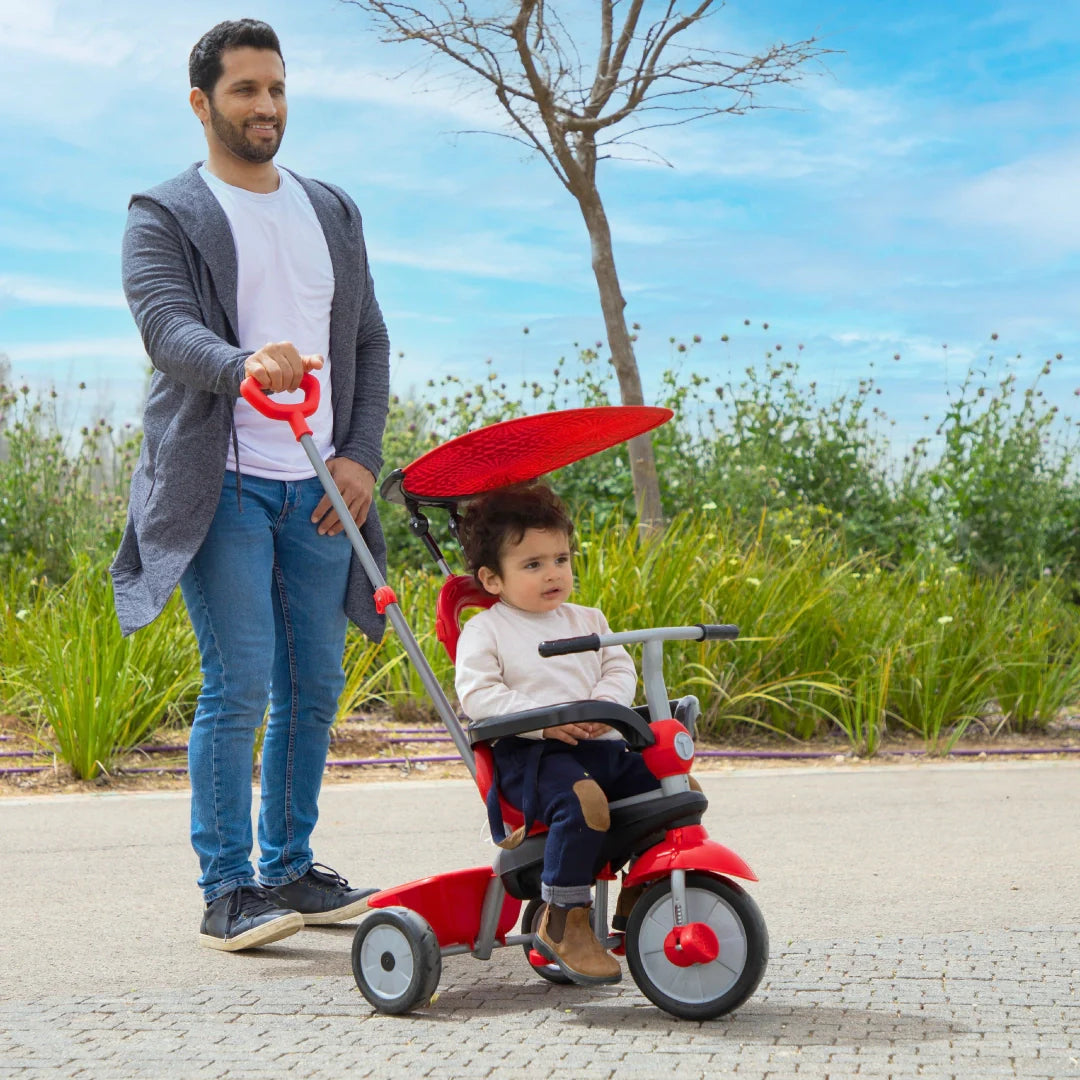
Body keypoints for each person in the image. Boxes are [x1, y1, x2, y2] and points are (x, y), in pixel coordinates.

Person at [112, 19, 390, 952]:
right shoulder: (165, 211)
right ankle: (228, 889)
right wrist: (242, 366)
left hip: (317, 483)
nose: (266, 107)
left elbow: (367, 342)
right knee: (241, 685)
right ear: (202, 103)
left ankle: (291, 866)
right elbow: (163, 327)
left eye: (275, 88)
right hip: (220, 480)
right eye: (244, 91)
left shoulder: (330, 209)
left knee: (314, 683)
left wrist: (360, 455)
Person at [454, 483, 662, 986]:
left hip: (599, 743)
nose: (553, 573)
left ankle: (646, 893)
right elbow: (478, 696)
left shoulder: (589, 620)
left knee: (671, 790)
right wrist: (546, 716)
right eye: (532, 564)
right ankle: (563, 920)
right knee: (585, 800)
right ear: (492, 579)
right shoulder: (487, 630)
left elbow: (618, 666)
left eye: (561, 559)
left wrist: (606, 705)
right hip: (532, 758)